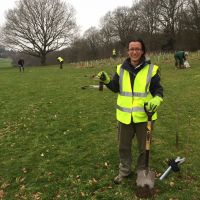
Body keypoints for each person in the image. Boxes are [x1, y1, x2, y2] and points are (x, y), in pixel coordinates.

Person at [97, 38, 163, 184]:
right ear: (128, 51)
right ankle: (124, 171)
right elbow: (116, 87)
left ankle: (142, 172)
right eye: (131, 49)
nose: (134, 52)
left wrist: (157, 99)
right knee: (123, 147)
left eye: (137, 49)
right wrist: (107, 80)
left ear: (142, 51)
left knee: (143, 149)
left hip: (145, 116)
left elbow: (158, 89)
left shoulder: (152, 69)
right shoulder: (120, 68)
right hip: (124, 116)